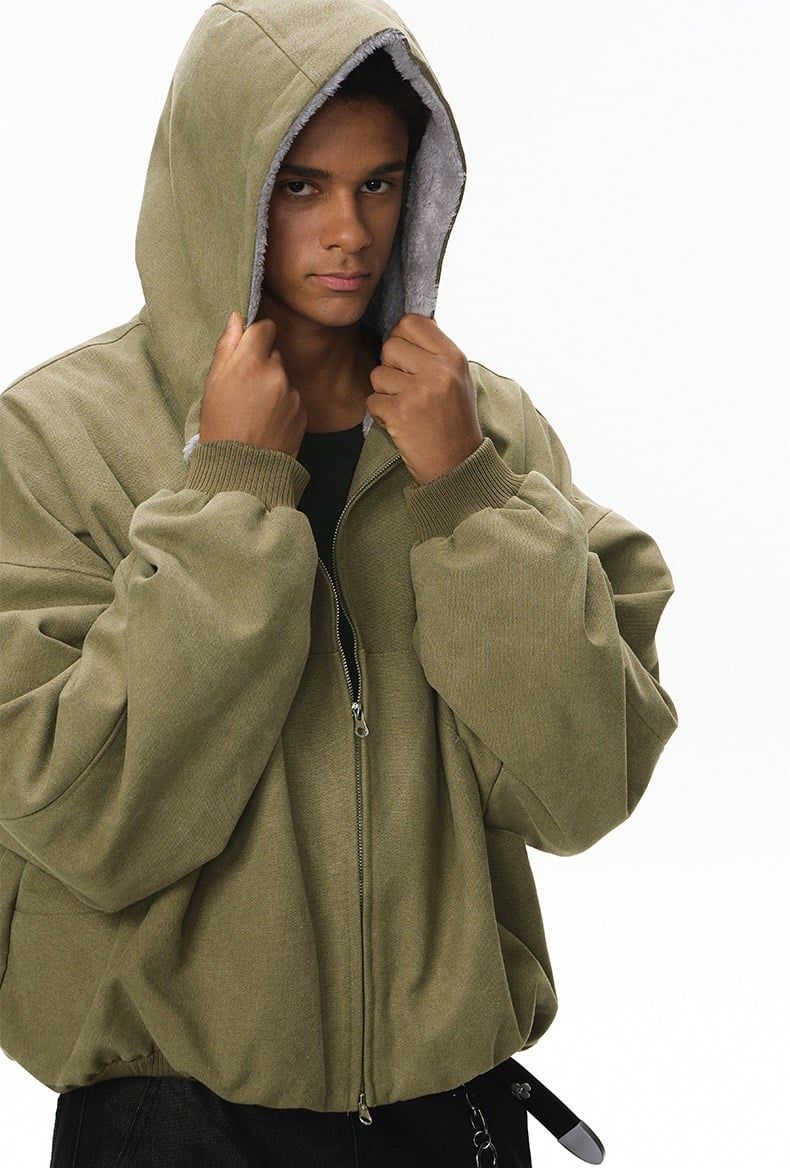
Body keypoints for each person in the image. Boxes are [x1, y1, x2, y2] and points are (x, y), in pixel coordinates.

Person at [0, 1, 679, 1165]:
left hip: (448, 1109)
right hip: (170, 1117)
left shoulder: (485, 432)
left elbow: (580, 788)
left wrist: (465, 491)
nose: (349, 232)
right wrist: (232, 490)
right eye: (301, 186)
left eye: (380, 184)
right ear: (221, 183)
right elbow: (85, 814)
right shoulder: (56, 439)